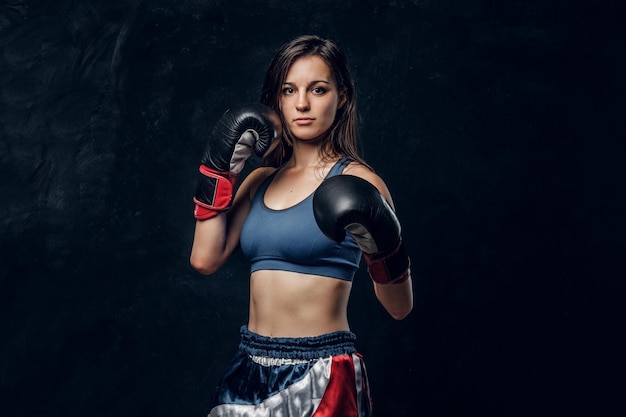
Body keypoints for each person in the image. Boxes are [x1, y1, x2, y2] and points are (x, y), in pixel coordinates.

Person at [190, 35, 413, 417]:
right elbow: (204, 260)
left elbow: (399, 307)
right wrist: (218, 169)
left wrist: (385, 248)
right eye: (289, 89)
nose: (302, 103)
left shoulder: (360, 182)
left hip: (323, 370)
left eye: (318, 89)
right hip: (248, 365)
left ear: (341, 97)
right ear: (276, 98)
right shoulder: (260, 179)